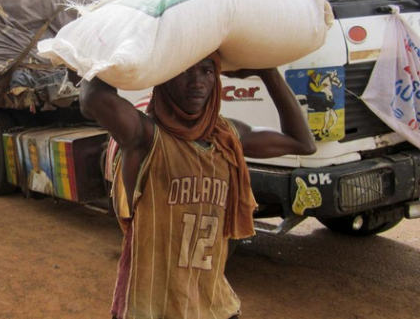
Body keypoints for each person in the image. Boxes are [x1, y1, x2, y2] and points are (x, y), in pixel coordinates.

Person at [79, 53, 316, 319]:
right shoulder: (145, 136)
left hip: (214, 304)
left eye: (206, 71)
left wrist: (268, 72)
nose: (197, 82)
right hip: (151, 307)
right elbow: (92, 99)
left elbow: (302, 143)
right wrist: (110, 51)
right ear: (164, 78)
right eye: (183, 71)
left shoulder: (226, 136)